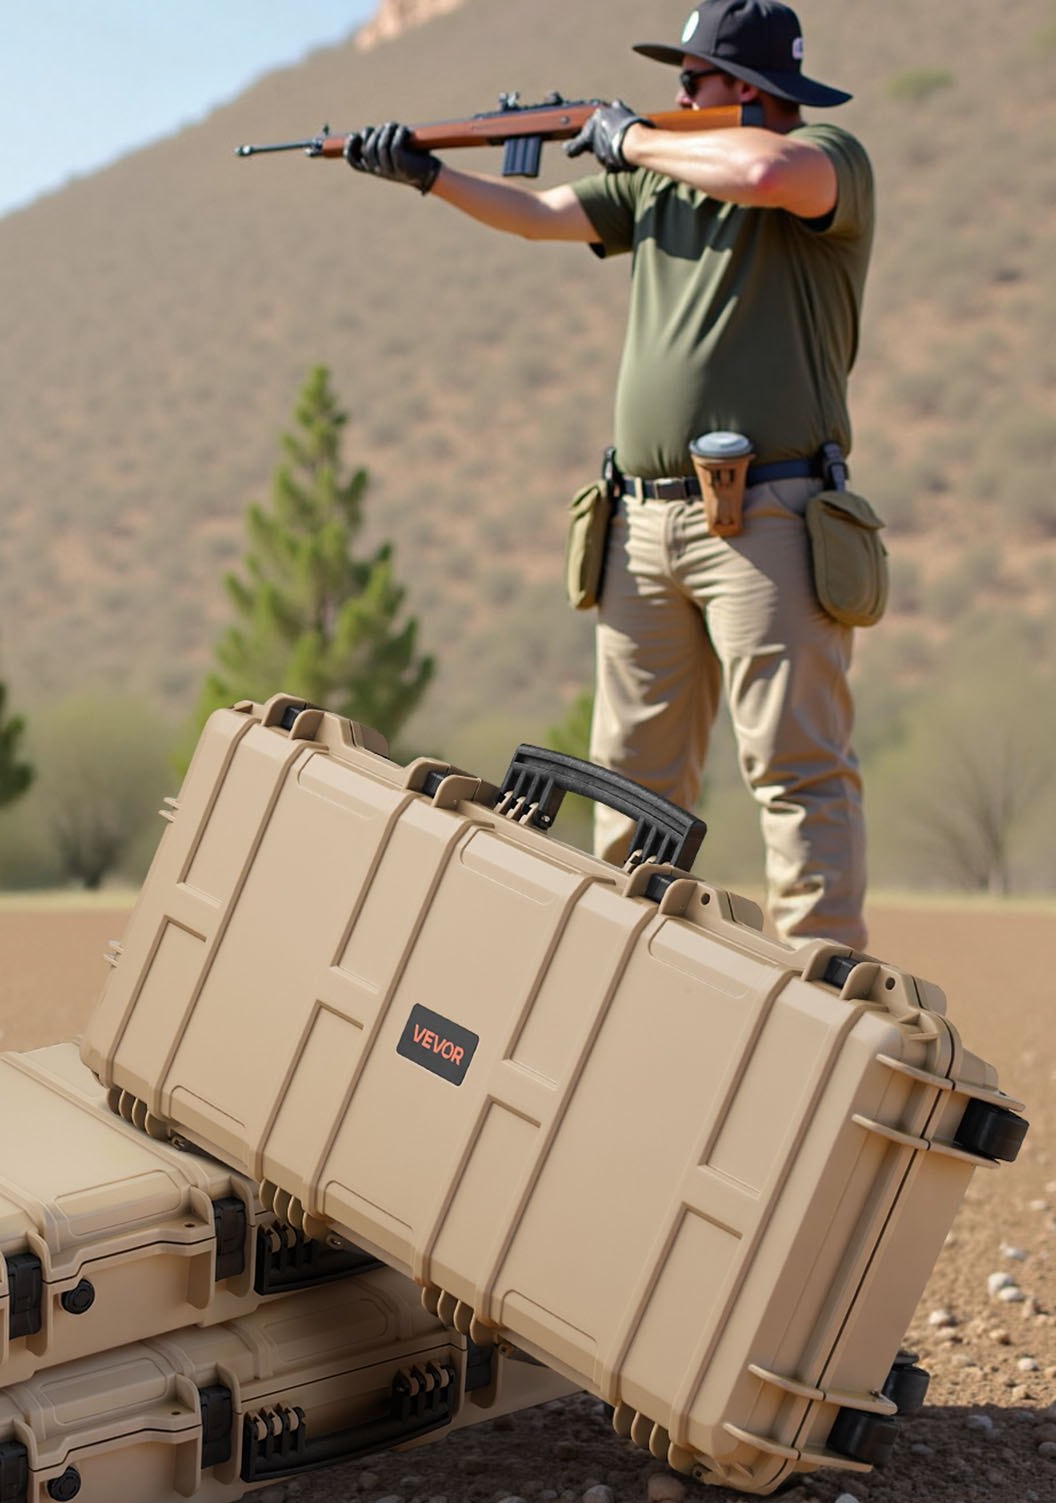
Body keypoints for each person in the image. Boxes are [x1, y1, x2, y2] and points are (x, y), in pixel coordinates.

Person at [341, 0, 875, 950]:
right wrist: (429, 176)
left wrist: (629, 137)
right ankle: (618, 972)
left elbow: (764, 170)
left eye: (693, 79)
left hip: (772, 520)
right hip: (642, 523)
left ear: (745, 89)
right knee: (628, 778)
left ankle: (824, 990)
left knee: (795, 770)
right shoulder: (660, 188)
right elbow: (539, 215)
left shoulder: (827, 156)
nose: (676, 94)